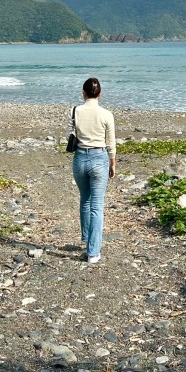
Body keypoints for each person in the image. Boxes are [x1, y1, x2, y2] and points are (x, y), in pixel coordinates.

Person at [70, 76, 116, 264]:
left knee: (85, 200)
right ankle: (93, 252)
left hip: (80, 157)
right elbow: (110, 142)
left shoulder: (75, 111)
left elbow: (71, 133)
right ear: (100, 94)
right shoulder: (107, 114)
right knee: (97, 206)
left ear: (84, 93)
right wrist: (113, 163)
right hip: (99, 157)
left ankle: (87, 241)